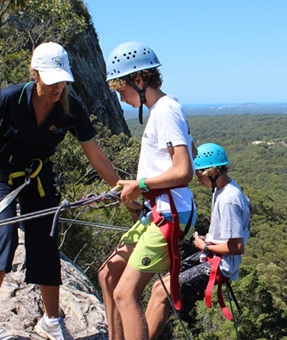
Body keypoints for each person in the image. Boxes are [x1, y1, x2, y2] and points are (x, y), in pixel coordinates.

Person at [0, 42, 124, 340]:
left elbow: (96, 155)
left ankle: (51, 320)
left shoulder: (71, 108)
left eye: (62, 80)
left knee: (45, 241)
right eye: (51, 80)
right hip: (0, 171)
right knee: (2, 235)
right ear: (36, 74)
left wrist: (120, 189)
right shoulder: (13, 97)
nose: (57, 87)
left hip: (37, 175)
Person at [97, 41, 197, 340]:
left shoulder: (165, 110)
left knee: (126, 293)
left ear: (139, 80)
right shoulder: (162, 110)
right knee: (109, 275)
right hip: (160, 210)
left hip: (171, 214)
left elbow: (184, 170)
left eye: (122, 90)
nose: (121, 98)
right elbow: (189, 150)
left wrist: (140, 186)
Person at [146, 143, 252, 339]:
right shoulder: (228, 188)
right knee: (159, 284)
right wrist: (214, 238)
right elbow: (249, 208)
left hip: (220, 265)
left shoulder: (228, 198)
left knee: (163, 292)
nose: (198, 180)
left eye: (199, 175)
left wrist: (205, 245)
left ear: (212, 171)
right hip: (214, 255)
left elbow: (237, 246)